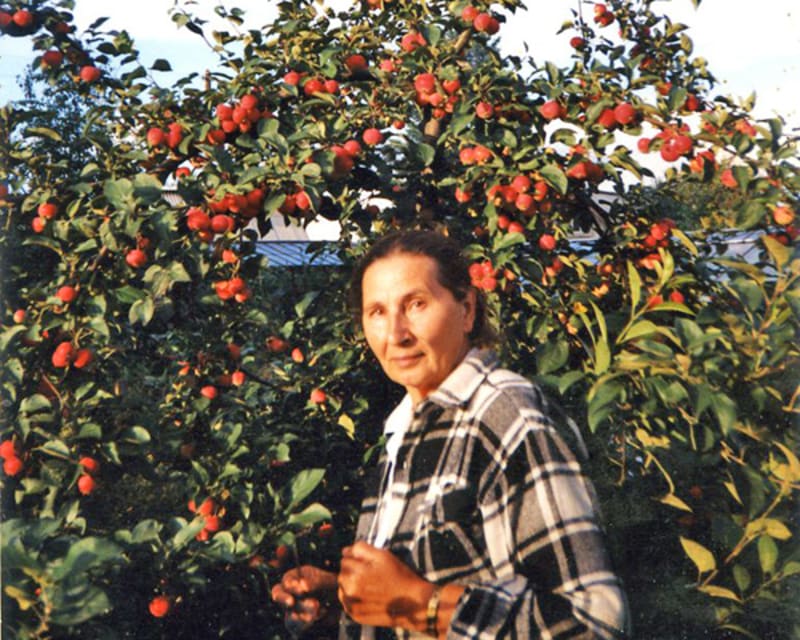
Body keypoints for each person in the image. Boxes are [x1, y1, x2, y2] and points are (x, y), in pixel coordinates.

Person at [272, 230, 630, 639]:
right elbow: (443, 588)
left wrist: (418, 606)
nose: (396, 334)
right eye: (377, 312)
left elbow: (594, 623)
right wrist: (350, 605)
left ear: (467, 309)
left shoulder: (507, 417)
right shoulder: (404, 429)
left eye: (416, 304)